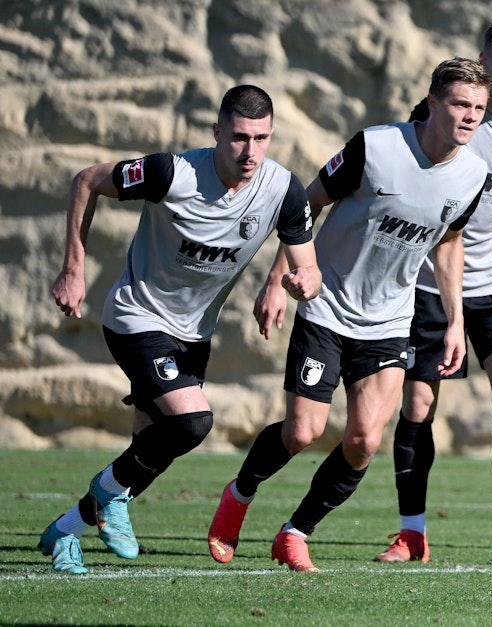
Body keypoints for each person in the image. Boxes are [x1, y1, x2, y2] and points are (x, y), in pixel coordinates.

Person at [206, 57, 491, 573]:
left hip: (389, 321)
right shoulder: (376, 147)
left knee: (363, 441)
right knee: (303, 433)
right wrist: (276, 280)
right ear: (432, 103)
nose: (470, 116)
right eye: (459, 104)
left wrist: (455, 320)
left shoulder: (474, 174)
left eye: (478, 108)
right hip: (326, 306)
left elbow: (449, 241)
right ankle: (240, 494)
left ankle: (294, 534)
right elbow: (305, 207)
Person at [34, 85, 319, 576]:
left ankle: (66, 530)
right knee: (192, 423)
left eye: (261, 139)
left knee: (152, 447)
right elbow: (87, 181)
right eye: (239, 138)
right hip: (137, 317)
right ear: (216, 133)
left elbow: (308, 268)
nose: (250, 151)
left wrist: (297, 284)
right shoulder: (174, 172)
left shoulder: (283, 190)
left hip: (194, 334)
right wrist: (73, 270)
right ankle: (105, 498)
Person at [373, 16, 492, 570]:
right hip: (431, 285)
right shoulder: (446, 113)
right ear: (484, 59)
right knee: (418, 404)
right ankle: (412, 532)